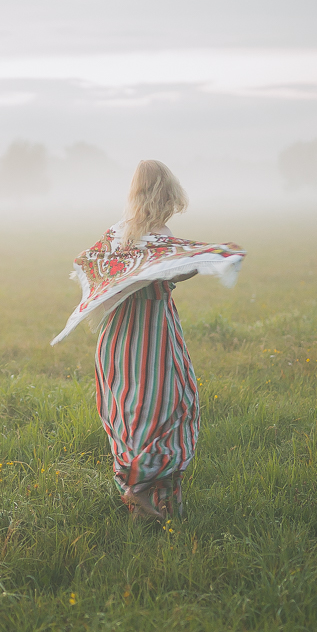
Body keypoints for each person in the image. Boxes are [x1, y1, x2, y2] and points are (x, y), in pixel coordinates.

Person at [52, 159, 245, 526]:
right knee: (174, 406)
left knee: (129, 409)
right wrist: (195, 259)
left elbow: (90, 264)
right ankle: (142, 486)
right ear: (168, 193)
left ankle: (149, 509)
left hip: (117, 336)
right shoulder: (162, 237)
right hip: (152, 333)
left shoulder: (116, 235)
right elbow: (177, 269)